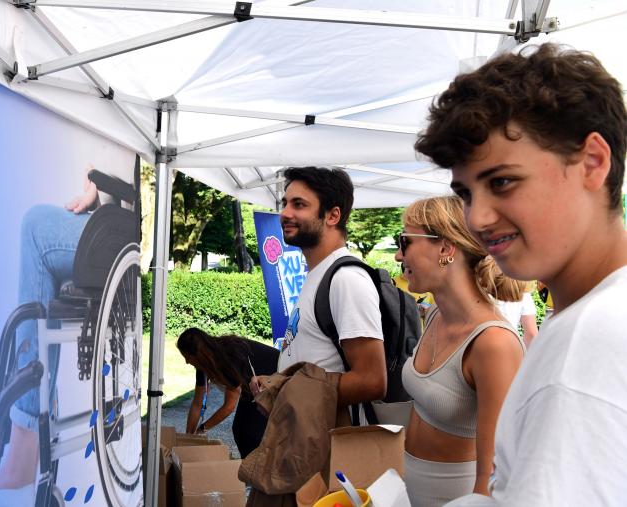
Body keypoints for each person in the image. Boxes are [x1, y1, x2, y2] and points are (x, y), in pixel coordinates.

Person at [414, 43, 627, 505]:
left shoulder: (589, 339)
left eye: (502, 182)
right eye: (466, 193)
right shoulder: (594, 317)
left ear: (593, 162)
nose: (478, 218)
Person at [0, 148, 135, 506]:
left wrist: (98, 185)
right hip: (119, 222)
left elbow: (128, 178)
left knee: (35, 224)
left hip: (118, 229)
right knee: (40, 230)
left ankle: (26, 436)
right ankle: (33, 422)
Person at [395, 196, 525, 506]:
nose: (398, 255)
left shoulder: (494, 343)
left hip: (458, 496)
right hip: (411, 484)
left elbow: (494, 474)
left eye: (405, 241)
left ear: (445, 248)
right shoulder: (436, 316)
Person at [262, 166, 386, 411]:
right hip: (305, 428)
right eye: (285, 203)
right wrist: (275, 385)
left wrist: (286, 393)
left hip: (329, 433)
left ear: (332, 216)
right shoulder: (320, 273)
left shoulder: (346, 279)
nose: (285, 213)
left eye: (299, 204)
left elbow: (372, 381)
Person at [176, 328, 279, 458]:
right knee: (240, 429)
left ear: (198, 354)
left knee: (249, 433)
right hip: (252, 384)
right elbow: (197, 403)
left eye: (187, 356)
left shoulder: (227, 357)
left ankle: (255, 467)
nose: (186, 362)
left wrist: (202, 428)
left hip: (274, 376)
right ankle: (251, 465)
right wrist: (189, 436)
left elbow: (229, 406)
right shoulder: (203, 364)